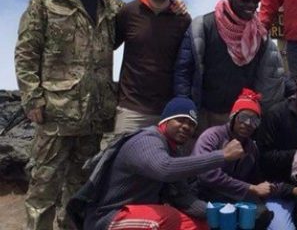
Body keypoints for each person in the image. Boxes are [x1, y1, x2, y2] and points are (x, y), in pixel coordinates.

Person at [14, 0, 124, 230]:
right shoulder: (46, 0)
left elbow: (142, 16)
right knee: (43, 191)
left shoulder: (111, 6)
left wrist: (175, 6)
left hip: (93, 119)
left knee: (78, 194)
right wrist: (32, 98)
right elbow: (26, 52)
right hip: (55, 114)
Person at [79, 97, 245, 230]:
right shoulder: (147, 140)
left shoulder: (173, 150)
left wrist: (219, 211)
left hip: (138, 216)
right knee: (168, 217)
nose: (186, 127)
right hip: (108, 219)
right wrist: (222, 155)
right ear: (165, 121)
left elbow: (182, 198)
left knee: (201, 225)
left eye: (191, 124)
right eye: (181, 120)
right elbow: (164, 169)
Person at [173, 0, 285, 132]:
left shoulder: (260, 35)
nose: (251, 5)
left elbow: (270, 78)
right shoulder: (204, 26)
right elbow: (184, 69)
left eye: (255, 1)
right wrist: (184, 109)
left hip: (239, 119)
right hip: (202, 113)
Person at [192, 88, 296, 230]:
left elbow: (258, 181)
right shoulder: (211, 137)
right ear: (233, 116)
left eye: (254, 120)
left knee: (262, 214)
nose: (248, 123)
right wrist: (251, 188)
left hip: (232, 196)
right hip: (204, 194)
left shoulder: (252, 149)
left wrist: (288, 189)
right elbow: (206, 175)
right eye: (244, 117)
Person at [112, 0, 191, 134]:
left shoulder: (182, 19)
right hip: (130, 108)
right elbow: (107, 48)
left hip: (166, 112)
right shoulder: (129, 12)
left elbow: (187, 63)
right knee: (121, 160)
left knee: (160, 162)